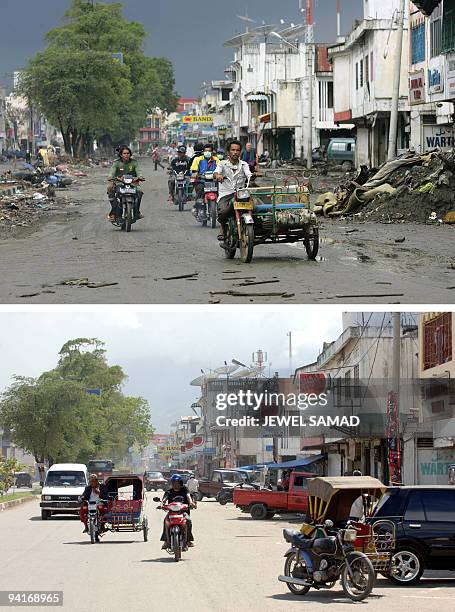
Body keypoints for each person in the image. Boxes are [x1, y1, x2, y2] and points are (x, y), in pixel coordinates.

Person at [214, 139, 252, 244]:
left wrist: (251, 176)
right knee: (223, 212)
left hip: (241, 193)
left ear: (240, 152)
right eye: (233, 150)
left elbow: (248, 173)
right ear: (228, 152)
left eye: (238, 150)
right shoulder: (222, 164)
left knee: (255, 208)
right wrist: (218, 176)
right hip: (226, 194)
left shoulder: (244, 164)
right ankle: (222, 227)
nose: (235, 152)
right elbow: (216, 173)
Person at [107, 146, 145, 221]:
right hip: (119, 183)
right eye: (124, 153)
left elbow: (139, 171)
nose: (126, 155)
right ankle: (114, 212)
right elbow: (112, 171)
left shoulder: (134, 162)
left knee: (139, 192)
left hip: (132, 183)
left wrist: (140, 176)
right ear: (121, 154)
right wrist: (110, 177)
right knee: (110, 188)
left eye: (128, 153)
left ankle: (137, 212)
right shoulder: (116, 163)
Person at [160, 474, 196, 550]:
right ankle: (166, 541)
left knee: (188, 521)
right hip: (171, 513)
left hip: (183, 513)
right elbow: (164, 499)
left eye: (176, 482)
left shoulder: (184, 490)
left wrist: (191, 503)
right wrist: (161, 504)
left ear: (180, 483)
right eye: (173, 482)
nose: (175, 484)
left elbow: (188, 496)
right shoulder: (169, 492)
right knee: (165, 521)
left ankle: (188, 540)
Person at [190, 144, 219, 208]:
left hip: (214, 181)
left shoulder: (216, 160)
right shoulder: (197, 159)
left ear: (212, 152)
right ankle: (197, 206)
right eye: (206, 151)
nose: (207, 153)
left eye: (209, 151)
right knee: (200, 189)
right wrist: (195, 174)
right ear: (203, 152)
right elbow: (194, 170)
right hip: (202, 181)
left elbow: (221, 169)